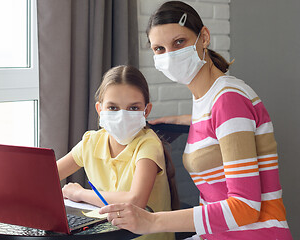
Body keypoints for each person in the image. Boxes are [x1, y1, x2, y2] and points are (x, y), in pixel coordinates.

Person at [99, 1, 293, 239]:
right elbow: (219, 125)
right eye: (159, 49)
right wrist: (178, 120)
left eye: (179, 42)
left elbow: (246, 207)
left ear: (204, 37)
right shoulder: (207, 99)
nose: (170, 55)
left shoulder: (227, 98)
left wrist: (151, 221)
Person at [56, 65, 176, 240]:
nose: (122, 116)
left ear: (146, 110)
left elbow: (135, 201)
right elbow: (46, 177)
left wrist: (80, 194)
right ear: (100, 109)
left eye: (133, 108)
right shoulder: (91, 142)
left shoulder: (148, 144)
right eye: (112, 108)